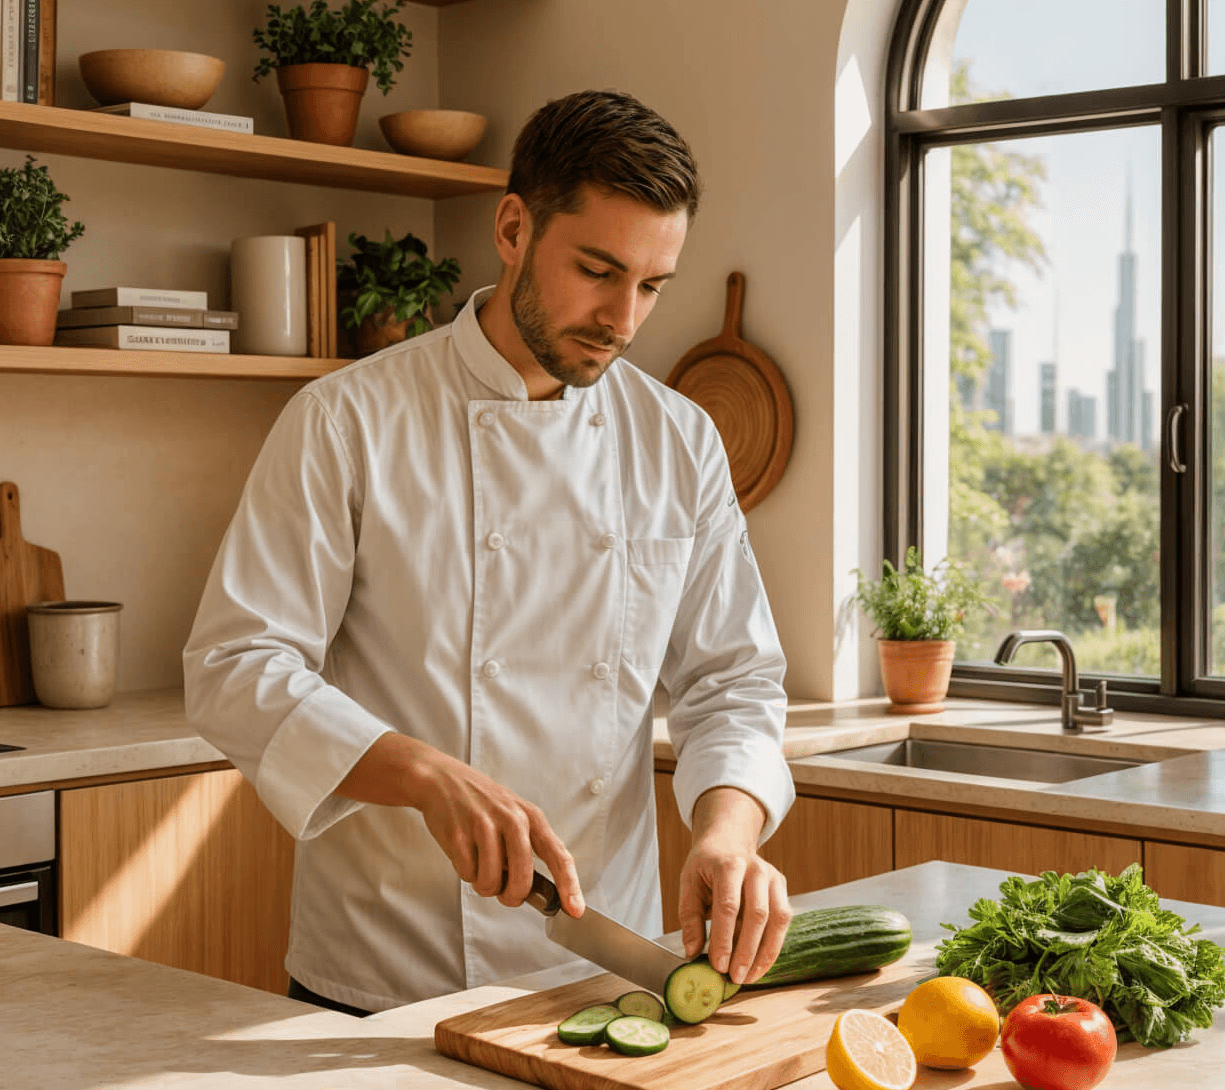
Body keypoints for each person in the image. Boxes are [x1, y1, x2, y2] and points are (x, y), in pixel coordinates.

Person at [183, 89, 795, 1015]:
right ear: (513, 227)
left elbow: (733, 681)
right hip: (388, 967)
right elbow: (235, 666)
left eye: (652, 285)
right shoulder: (347, 420)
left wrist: (728, 832)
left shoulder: (680, 440)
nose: (623, 318)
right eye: (597, 269)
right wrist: (425, 775)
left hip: (602, 968)